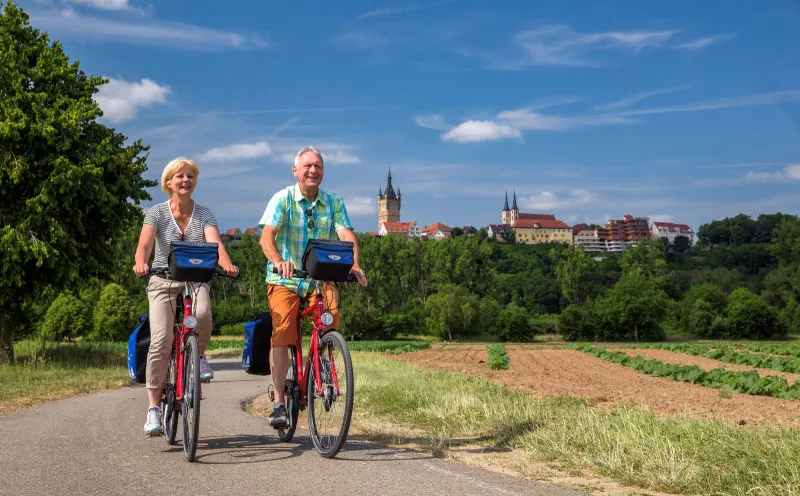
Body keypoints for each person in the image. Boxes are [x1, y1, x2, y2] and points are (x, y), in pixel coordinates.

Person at [258, 146, 367, 428]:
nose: (313, 170)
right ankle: (280, 403)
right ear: (295, 170)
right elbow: (266, 237)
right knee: (283, 332)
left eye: (318, 166)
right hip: (286, 278)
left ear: (323, 171)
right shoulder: (282, 199)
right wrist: (279, 261)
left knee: (330, 317)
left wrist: (353, 264)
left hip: (320, 276)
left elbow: (346, 234)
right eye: (307, 166)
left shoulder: (334, 201)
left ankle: (324, 359)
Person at [133, 157, 239, 436]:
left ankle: (199, 355)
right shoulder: (156, 212)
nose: (185, 180)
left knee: (202, 313)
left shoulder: (204, 214)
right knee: (161, 340)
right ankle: (154, 408)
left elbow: (215, 242)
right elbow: (144, 244)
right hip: (163, 280)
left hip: (195, 277)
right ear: (168, 182)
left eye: (190, 176)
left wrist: (226, 263)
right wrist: (141, 262)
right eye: (179, 176)